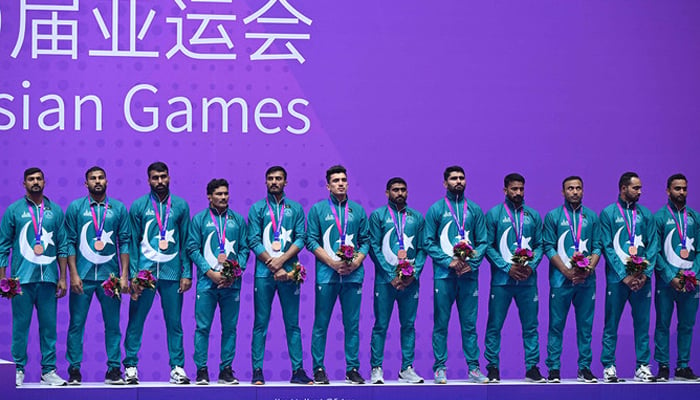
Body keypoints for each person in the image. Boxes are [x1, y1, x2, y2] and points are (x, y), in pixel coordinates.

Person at [123, 161, 192, 384]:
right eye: (155, 177)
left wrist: (186, 272)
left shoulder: (180, 206)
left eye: (163, 176)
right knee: (136, 321)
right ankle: (131, 366)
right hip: (145, 275)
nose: (160, 181)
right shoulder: (138, 206)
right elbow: (132, 242)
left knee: (174, 322)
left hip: (172, 274)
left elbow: (185, 242)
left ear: (169, 177)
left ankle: (178, 367)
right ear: (148, 180)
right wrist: (134, 274)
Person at [0, 167, 68, 386]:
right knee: (20, 327)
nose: (35, 182)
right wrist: (3, 279)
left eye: (39, 178)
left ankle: (48, 371)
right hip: (21, 281)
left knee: (49, 327)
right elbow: (3, 246)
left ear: (44, 182)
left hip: (48, 279)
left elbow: (63, 246)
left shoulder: (55, 211)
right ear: (24, 184)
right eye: (31, 179)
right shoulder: (14, 210)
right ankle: (18, 369)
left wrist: (63, 277)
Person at [64, 166, 131, 385]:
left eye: (101, 177)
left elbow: (125, 243)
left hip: (109, 279)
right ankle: (74, 370)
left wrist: (123, 276)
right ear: (86, 184)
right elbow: (70, 242)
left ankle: (113, 370)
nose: (97, 181)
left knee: (113, 325)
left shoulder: (118, 208)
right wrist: (72, 274)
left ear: (107, 181)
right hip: (82, 278)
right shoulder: (76, 207)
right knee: (76, 324)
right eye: (92, 178)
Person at [247, 166, 312, 385]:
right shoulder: (257, 209)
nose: (274, 182)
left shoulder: (295, 209)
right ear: (265, 182)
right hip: (264, 275)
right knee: (260, 323)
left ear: (286, 182)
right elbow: (253, 240)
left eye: (279, 179)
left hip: (290, 274)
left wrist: (282, 262)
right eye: (271, 178)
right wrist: (272, 264)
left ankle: (298, 371)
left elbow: (301, 238)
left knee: (292, 324)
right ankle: (257, 370)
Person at [423, 166, 488, 384]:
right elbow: (428, 242)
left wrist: (473, 262)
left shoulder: (475, 210)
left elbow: (483, 241)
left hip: (469, 275)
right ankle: (440, 367)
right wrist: (448, 261)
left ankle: (474, 369)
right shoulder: (436, 210)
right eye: (453, 178)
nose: (458, 181)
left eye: (461, 178)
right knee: (441, 323)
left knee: (469, 324)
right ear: (445, 183)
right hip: (444, 275)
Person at [306, 165, 369, 384]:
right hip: (327, 275)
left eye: (343, 180)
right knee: (321, 323)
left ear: (347, 183)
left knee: (352, 325)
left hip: (353, 276)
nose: (340, 183)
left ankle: (352, 369)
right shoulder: (318, 210)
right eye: (335, 180)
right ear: (328, 186)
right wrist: (332, 263)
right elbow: (311, 240)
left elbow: (366, 241)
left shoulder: (358, 211)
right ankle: (319, 369)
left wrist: (356, 262)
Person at [484, 173, 545, 383]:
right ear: (505, 190)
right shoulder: (493, 214)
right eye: (514, 189)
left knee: (531, 326)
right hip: (502, 281)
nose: (518, 193)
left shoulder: (533, 215)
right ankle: (492, 367)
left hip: (527, 281)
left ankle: (532, 368)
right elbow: (488, 246)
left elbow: (540, 245)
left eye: (521, 189)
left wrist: (532, 265)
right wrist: (506, 267)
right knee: (494, 325)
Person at [188, 178, 248, 385]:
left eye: (225, 193)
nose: (223, 197)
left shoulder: (238, 220)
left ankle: (226, 370)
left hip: (232, 285)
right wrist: (209, 272)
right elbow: (192, 249)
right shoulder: (199, 219)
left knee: (230, 328)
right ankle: (201, 370)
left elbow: (244, 249)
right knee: (202, 327)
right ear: (209, 197)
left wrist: (234, 273)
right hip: (207, 283)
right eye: (219, 194)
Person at [599, 172, 658, 383]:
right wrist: (624, 276)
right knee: (611, 323)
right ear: (623, 188)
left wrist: (644, 274)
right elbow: (607, 246)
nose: (640, 192)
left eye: (640, 188)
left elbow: (653, 246)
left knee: (643, 324)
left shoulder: (646, 215)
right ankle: (609, 366)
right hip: (618, 280)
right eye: (636, 188)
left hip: (642, 280)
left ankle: (642, 366)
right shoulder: (608, 214)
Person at [542, 176, 601, 383]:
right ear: (563, 192)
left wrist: (589, 268)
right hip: (561, 280)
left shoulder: (592, 217)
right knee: (556, 325)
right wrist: (566, 271)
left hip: (586, 281)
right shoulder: (553, 216)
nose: (574, 192)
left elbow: (597, 247)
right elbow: (548, 246)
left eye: (578, 188)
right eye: (570, 188)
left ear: (583, 191)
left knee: (585, 326)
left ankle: (584, 368)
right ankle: (554, 369)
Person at [368, 177, 426, 384]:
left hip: (410, 283)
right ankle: (376, 369)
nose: (399, 193)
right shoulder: (378, 216)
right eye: (395, 190)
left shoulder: (417, 217)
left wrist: (413, 274)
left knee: (409, 325)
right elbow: (373, 248)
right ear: (387, 193)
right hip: (386, 282)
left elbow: (422, 249)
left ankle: (407, 369)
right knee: (381, 325)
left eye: (403, 190)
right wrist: (390, 275)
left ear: (407, 192)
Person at [653, 174, 700, 381]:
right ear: (668, 191)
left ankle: (682, 367)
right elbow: (655, 250)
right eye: (677, 188)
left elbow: (699, 250)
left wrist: (695, 275)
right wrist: (670, 276)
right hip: (667, 281)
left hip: (691, 283)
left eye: (684, 189)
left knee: (687, 325)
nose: (681, 192)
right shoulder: (659, 217)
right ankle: (663, 366)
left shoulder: (695, 217)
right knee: (663, 324)